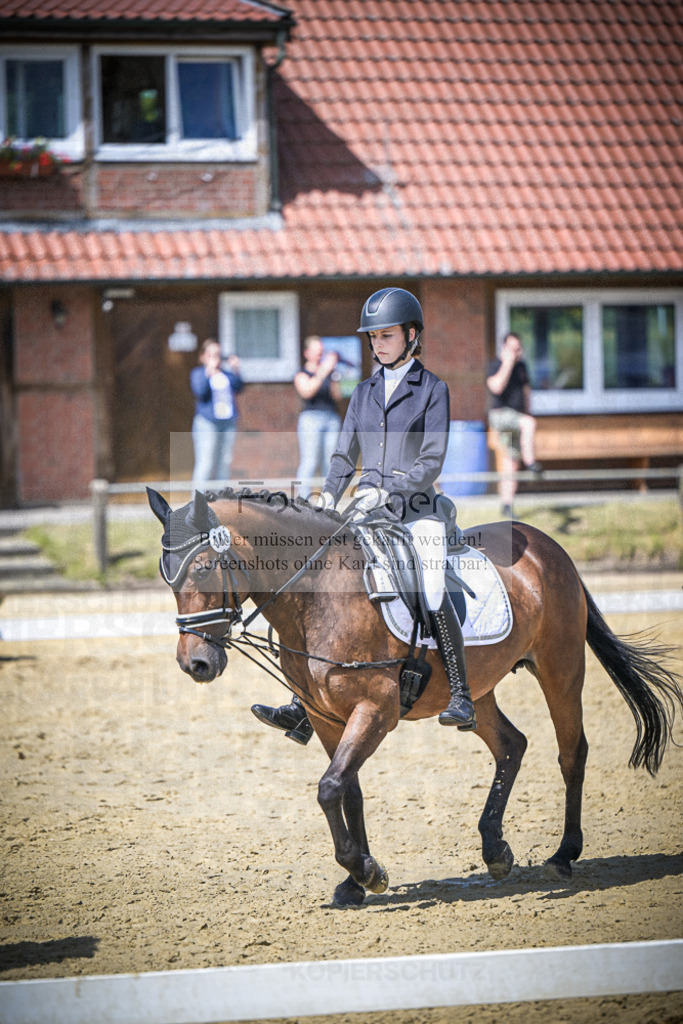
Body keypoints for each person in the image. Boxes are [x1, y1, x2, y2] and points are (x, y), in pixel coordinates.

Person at [251, 287, 476, 745]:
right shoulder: (365, 391)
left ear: (412, 336)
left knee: (431, 583)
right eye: (373, 337)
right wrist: (330, 496)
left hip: (417, 512)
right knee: (320, 583)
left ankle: (462, 694)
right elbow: (342, 455)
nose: (378, 344)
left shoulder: (433, 389)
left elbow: (431, 460)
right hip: (363, 509)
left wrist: (387, 489)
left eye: (387, 335)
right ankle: (303, 703)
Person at [486, 332, 541, 518]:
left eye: (519, 349)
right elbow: (496, 387)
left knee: (511, 464)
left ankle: (507, 504)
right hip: (502, 418)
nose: (516, 353)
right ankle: (531, 462)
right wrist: (507, 363)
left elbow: (526, 391)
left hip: (517, 420)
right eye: (512, 349)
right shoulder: (495, 365)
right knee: (529, 424)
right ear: (504, 348)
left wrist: (528, 411)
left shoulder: (522, 367)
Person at [190, 339, 243, 492]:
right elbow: (200, 391)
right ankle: (196, 505)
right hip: (207, 423)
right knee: (206, 463)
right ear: (203, 356)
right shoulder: (198, 373)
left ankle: (221, 504)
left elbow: (239, 387)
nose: (215, 358)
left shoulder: (226, 374)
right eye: (211, 355)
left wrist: (236, 369)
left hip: (227, 423)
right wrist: (209, 372)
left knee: (225, 462)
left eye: (218, 355)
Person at [294, 336, 342, 498]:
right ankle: (303, 499)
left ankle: (328, 498)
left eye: (321, 351)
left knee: (330, 461)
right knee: (310, 460)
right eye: (316, 352)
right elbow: (307, 391)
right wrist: (323, 371)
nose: (320, 355)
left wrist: (334, 375)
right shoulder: (302, 373)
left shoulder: (329, 372)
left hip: (331, 418)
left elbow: (337, 396)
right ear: (307, 353)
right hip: (310, 419)